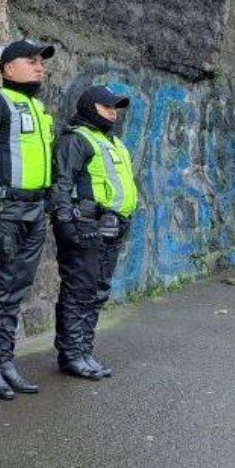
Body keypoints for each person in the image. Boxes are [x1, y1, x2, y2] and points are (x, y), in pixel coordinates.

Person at [0, 40, 57, 400]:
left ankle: (5, 360)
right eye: (31, 61)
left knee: (15, 290)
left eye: (41, 62)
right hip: (5, 212)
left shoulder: (38, 107)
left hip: (34, 210)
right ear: (7, 68)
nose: (39, 67)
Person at [50, 85, 138, 380]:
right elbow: (61, 184)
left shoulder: (113, 142)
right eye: (106, 107)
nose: (112, 113)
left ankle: (84, 350)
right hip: (87, 226)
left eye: (115, 108)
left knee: (97, 292)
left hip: (113, 226)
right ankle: (72, 355)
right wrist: (65, 223)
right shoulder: (77, 140)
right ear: (90, 107)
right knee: (79, 292)